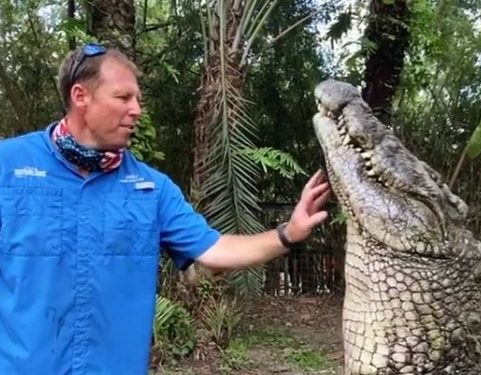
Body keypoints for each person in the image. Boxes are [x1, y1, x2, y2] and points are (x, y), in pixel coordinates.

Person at [0, 43, 331, 374]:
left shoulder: (151, 189)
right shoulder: (9, 166)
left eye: (138, 100)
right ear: (81, 96)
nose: (136, 110)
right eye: (123, 97)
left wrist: (289, 232)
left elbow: (215, 249)